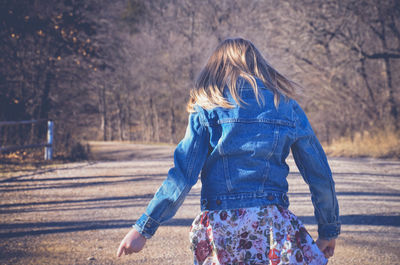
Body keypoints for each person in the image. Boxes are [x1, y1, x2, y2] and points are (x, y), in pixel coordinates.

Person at [117, 38, 340, 264]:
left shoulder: (207, 106)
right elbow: (319, 174)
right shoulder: (285, 105)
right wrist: (328, 230)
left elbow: (182, 176)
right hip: (272, 227)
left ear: (216, 68)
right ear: (258, 65)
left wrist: (144, 229)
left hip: (220, 228)